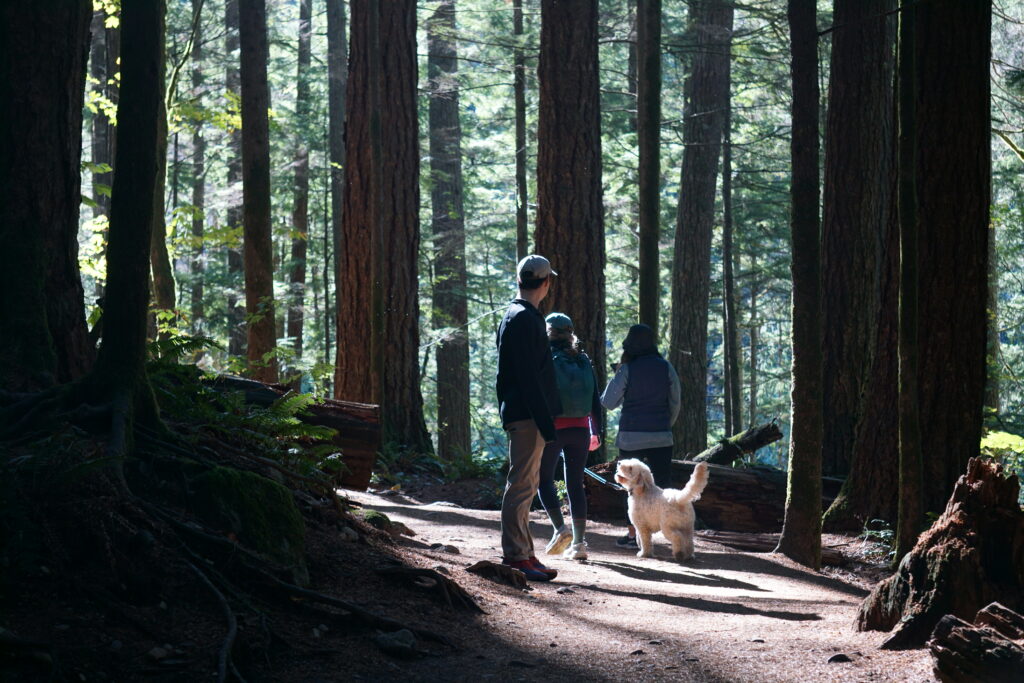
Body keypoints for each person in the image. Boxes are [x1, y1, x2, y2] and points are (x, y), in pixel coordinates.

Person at [495, 254, 562, 581]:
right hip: (528, 416)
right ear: (546, 283)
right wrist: (546, 423)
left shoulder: (524, 317)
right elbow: (527, 378)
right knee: (521, 485)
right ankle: (516, 556)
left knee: (528, 484)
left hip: (526, 414)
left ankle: (525, 553)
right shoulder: (522, 319)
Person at [600, 323, 681, 549]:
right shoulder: (666, 368)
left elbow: (608, 402)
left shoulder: (627, 369)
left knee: (631, 487)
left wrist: (618, 373)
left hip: (631, 437)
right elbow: (675, 402)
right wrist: (665, 425)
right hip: (661, 436)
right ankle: (666, 532)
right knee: (662, 487)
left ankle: (633, 535)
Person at [537, 312, 601, 561]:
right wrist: (597, 431)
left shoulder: (545, 358)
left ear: (548, 332)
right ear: (570, 333)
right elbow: (595, 398)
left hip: (554, 428)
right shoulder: (583, 359)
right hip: (581, 430)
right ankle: (579, 544)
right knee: (575, 484)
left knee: (543, 480)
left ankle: (559, 528)